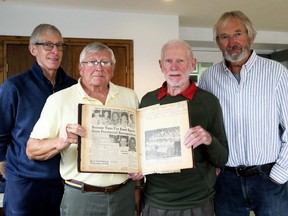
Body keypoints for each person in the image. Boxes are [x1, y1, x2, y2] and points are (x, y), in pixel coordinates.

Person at [26, 42, 140, 216]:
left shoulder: (129, 96)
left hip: (123, 194)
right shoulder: (59, 100)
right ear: (80, 68)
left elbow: (139, 141)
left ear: (113, 68)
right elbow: (31, 149)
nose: (99, 67)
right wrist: (61, 141)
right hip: (81, 197)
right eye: (91, 62)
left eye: (105, 62)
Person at [198, 11, 288, 216]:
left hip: (269, 178)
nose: (232, 42)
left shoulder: (277, 73)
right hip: (226, 181)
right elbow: (205, 128)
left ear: (250, 36)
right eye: (224, 36)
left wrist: (281, 173)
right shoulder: (208, 78)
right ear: (218, 42)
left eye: (237, 34)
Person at [138, 39, 228, 216]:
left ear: (192, 64)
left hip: (197, 202)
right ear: (161, 65)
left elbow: (222, 158)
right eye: (168, 61)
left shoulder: (209, 102)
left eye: (180, 60)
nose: (174, 67)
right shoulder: (147, 100)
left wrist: (208, 139)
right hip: (156, 199)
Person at [0, 24, 77, 215]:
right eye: (48, 45)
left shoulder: (73, 87)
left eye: (60, 45)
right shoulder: (14, 87)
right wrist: (9, 173)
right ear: (33, 49)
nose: (55, 51)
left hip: (64, 182)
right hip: (25, 183)